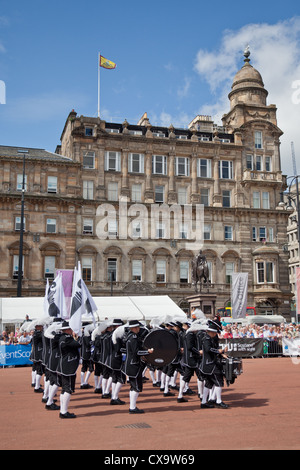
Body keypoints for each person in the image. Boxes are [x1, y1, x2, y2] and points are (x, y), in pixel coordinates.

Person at [124, 319, 154, 414]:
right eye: (137, 327)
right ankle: (132, 408)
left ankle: (132, 406)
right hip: (134, 364)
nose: (138, 329)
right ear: (133, 328)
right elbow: (136, 352)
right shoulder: (133, 338)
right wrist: (147, 352)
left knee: (133, 386)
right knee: (136, 387)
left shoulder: (129, 336)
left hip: (131, 364)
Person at [200, 319, 229, 409]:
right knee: (219, 381)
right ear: (211, 332)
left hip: (208, 364)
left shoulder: (208, 338)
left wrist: (221, 352)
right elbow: (209, 349)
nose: (215, 334)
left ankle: (204, 402)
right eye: (215, 332)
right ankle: (218, 401)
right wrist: (219, 351)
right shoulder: (207, 339)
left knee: (208, 383)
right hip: (210, 365)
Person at [57, 320, 81, 419]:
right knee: (68, 389)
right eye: (70, 329)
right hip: (68, 366)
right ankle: (64, 411)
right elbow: (78, 344)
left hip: (65, 365)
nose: (72, 330)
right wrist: (80, 337)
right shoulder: (67, 338)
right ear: (67, 330)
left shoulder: (62, 338)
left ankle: (63, 410)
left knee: (64, 389)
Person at [110, 319, 126, 405]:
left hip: (113, 358)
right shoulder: (117, 336)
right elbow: (118, 349)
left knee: (115, 378)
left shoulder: (111, 334)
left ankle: (114, 396)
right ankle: (115, 397)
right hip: (117, 359)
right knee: (121, 378)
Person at [80, 323, 94, 389]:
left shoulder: (82, 335)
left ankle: (82, 382)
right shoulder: (86, 335)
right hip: (87, 354)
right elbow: (89, 344)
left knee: (84, 368)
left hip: (83, 353)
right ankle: (85, 382)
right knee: (90, 368)